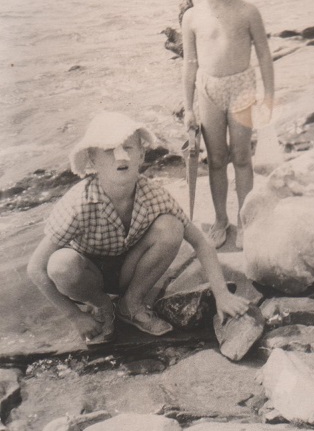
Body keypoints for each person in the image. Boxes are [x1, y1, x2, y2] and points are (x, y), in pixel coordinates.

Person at [27, 111, 250, 346]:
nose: (120, 157)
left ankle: (131, 304)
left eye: (128, 148)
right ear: (92, 160)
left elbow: (201, 242)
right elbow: (35, 268)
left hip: (128, 271)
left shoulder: (153, 194)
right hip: (88, 276)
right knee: (61, 264)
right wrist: (75, 316)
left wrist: (222, 295)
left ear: (142, 154)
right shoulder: (78, 203)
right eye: (109, 150)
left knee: (171, 226)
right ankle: (102, 306)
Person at [182, 0, 274, 250]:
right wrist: (188, 108)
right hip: (208, 90)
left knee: (242, 157)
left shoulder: (248, 12)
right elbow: (189, 63)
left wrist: (268, 97)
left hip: (242, 88)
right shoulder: (191, 17)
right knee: (217, 160)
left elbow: (264, 55)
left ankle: (245, 220)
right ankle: (221, 219)